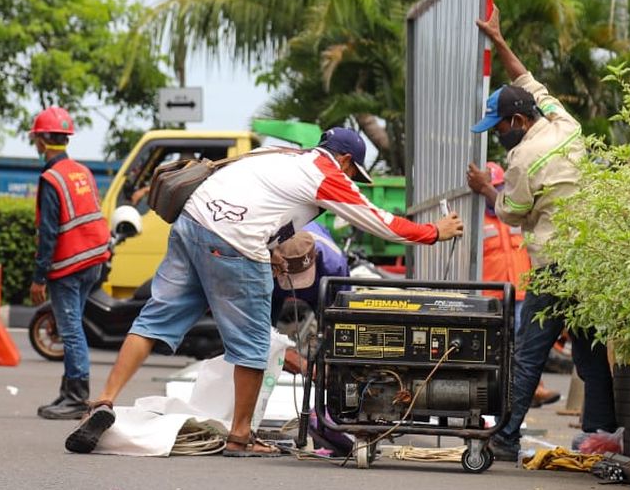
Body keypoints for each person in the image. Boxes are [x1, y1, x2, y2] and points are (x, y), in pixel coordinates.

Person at [66, 127, 464, 456]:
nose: (350, 179)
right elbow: (378, 220)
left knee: (152, 320)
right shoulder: (326, 175)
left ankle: (102, 400)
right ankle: (240, 437)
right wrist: (433, 232)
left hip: (192, 222)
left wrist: (270, 247)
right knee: (254, 344)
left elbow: (264, 203)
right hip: (235, 242)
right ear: (344, 160)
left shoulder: (278, 155)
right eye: (352, 172)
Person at [466, 6, 618, 461]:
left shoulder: (521, 159)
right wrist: (499, 38)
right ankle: (600, 432)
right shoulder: (565, 126)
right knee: (590, 355)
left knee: (529, 351)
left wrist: (484, 190)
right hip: (589, 262)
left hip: (555, 267)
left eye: (499, 128)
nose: (499, 137)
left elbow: (511, 213)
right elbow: (531, 82)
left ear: (515, 123)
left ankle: (507, 437)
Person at [29, 106, 112, 420]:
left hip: (69, 265)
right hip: (93, 261)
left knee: (71, 329)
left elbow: (48, 232)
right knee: (73, 327)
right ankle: (68, 393)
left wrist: (39, 276)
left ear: (42, 141)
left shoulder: (51, 178)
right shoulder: (82, 171)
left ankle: (77, 398)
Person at [480, 161, 559, 409]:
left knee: (525, 344)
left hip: (523, 290)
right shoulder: (476, 219)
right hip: (492, 296)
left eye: (499, 187)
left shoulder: (516, 216)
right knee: (498, 347)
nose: (495, 192)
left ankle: (533, 389)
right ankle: (503, 396)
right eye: (491, 187)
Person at [270, 222, 349, 325]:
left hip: (318, 286)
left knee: (329, 324)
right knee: (263, 328)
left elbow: (342, 307)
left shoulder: (335, 265)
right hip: (274, 283)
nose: (297, 287)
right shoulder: (262, 256)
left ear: (315, 256)